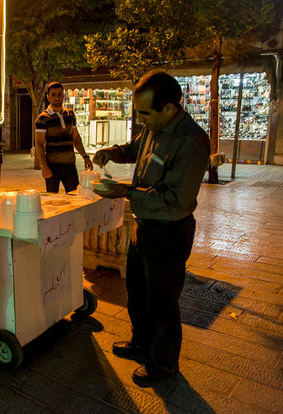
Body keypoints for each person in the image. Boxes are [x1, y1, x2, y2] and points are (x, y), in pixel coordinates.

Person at [92, 70, 210, 387]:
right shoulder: (155, 129)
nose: (141, 120)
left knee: (162, 302)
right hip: (143, 227)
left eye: (146, 113)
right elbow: (135, 146)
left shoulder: (191, 141)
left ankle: (164, 363)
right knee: (138, 293)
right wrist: (114, 152)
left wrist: (125, 192)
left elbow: (176, 200)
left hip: (169, 232)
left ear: (169, 108)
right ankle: (141, 344)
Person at [35, 81, 93, 193]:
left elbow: (76, 138)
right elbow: (39, 144)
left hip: (70, 166)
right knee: (52, 201)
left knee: (75, 198)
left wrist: (85, 157)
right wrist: (44, 166)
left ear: (63, 95)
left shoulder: (70, 115)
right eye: (53, 95)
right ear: (48, 96)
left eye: (59, 94)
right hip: (52, 167)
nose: (57, 97)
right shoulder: (42, 119)